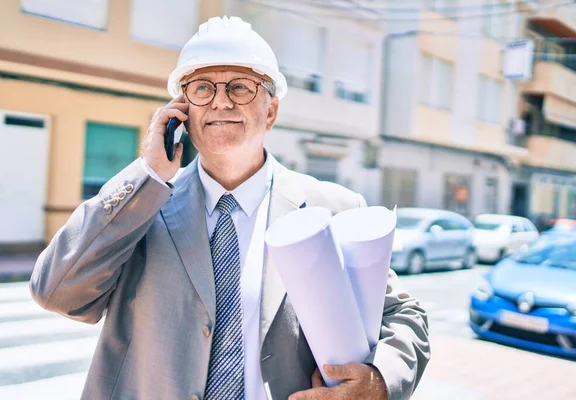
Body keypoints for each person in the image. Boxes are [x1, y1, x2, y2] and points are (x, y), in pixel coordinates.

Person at [30, 16, 430, 400]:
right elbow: (57, 293)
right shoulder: (141, 208)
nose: (221, 102)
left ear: (270, 111)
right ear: (182, 112)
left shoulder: (335, 208)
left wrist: (378, 382)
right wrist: (147, 174)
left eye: (240, 88)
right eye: (202, 89)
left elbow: (403, 315)